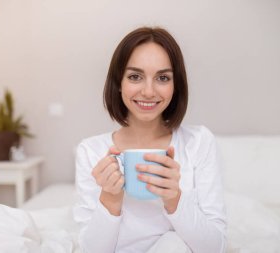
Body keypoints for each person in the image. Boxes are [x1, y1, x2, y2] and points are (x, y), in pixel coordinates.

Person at [73, 27, 227, 253]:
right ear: (118, 83)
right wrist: (111, 199)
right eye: (135, 76)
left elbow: (217, 248)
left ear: (176, 86)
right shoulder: (91, 151)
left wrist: (175, 199)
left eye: (162, 78)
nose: (148, 91)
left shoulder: (199, 142)